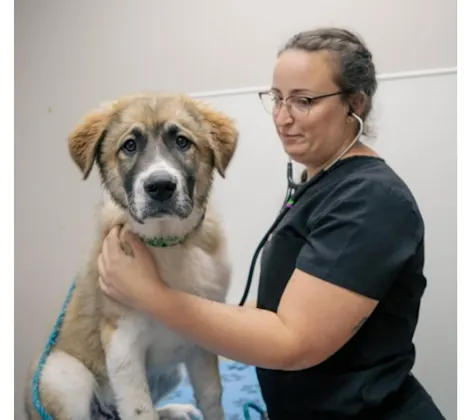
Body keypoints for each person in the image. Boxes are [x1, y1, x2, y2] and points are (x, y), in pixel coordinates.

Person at [97, 28, 446, 419]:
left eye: (304, 101)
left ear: (355, 104)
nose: (283, 117)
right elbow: (282, 306)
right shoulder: (319, 182)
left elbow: (293, 341)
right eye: (277, 98)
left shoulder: (371, 200)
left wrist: (148, 294)